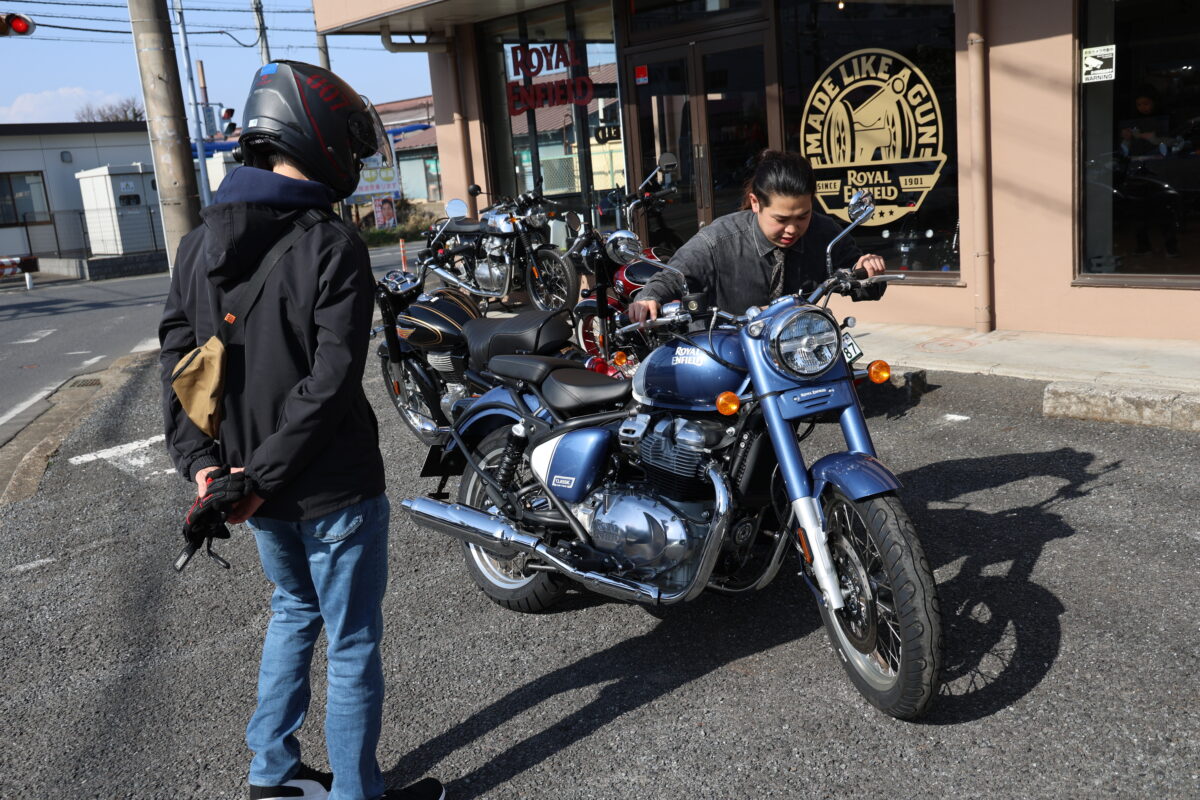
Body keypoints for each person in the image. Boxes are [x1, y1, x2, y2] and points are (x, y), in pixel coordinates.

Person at [159, 60, 444, 800]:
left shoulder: (195, 244)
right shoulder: (332, 244)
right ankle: (357, 794)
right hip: (330, 488)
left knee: (292, 613)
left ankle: (273, 777)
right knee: (350, 644)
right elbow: (331, 382)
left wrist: (208, 469)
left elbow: (178, 363)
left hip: (247, 491)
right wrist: (257, 478)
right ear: (315, 136)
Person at [628, 150, 886, 322]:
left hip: (798, 348)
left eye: (802, 216)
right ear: (755, 203)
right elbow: (673, 276)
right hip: (729, 356)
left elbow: (865, 284)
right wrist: (649, 297)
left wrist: (867, 269)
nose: (793, 229)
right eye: (781, 219)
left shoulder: (824, 232)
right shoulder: (718, 240)